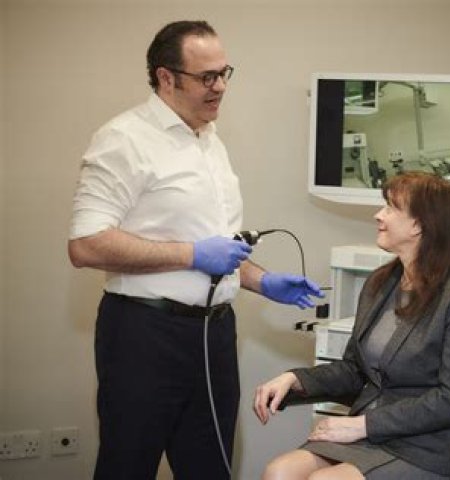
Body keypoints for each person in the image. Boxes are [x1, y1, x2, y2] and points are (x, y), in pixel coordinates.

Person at [68, 20, 322, 480]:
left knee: (210, 467)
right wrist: (191, 255)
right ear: (166, 78)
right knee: (128, 466)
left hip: (214, 334)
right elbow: (85, 244)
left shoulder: (209, 140)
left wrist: (264, 281)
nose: (220, 86)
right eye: (207, 77)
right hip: (144, 334)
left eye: (224, 73)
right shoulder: (124, 139)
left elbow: (217, 247)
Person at [254, 171, 450, 480]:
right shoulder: (380, 283)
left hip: (431, 445)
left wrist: (362, 425)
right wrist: (295, 379)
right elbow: (355, 371)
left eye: (391, 207)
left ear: (420, 224)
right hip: (373, 433)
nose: (378, 215)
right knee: (278, 473)